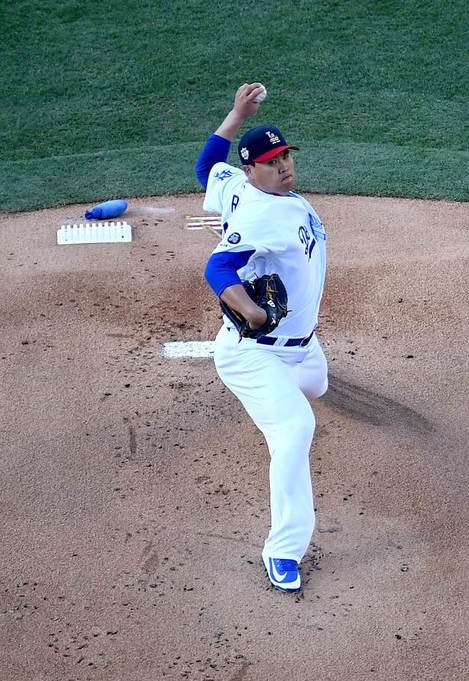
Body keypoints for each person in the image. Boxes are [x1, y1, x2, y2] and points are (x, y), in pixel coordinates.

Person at [195, 82, 328, 593]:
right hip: (255, 355)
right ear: (255, 170)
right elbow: (217, 265)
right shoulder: (260, 213)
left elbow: (206, 168)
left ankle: (301, 381)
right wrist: (249, 309)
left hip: (304, 348)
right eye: (273, 162)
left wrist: (234, 116)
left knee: (315, 385)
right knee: (295, 430)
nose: (285, 166)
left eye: (286, 156)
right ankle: (284, 550)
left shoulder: (238, 185)